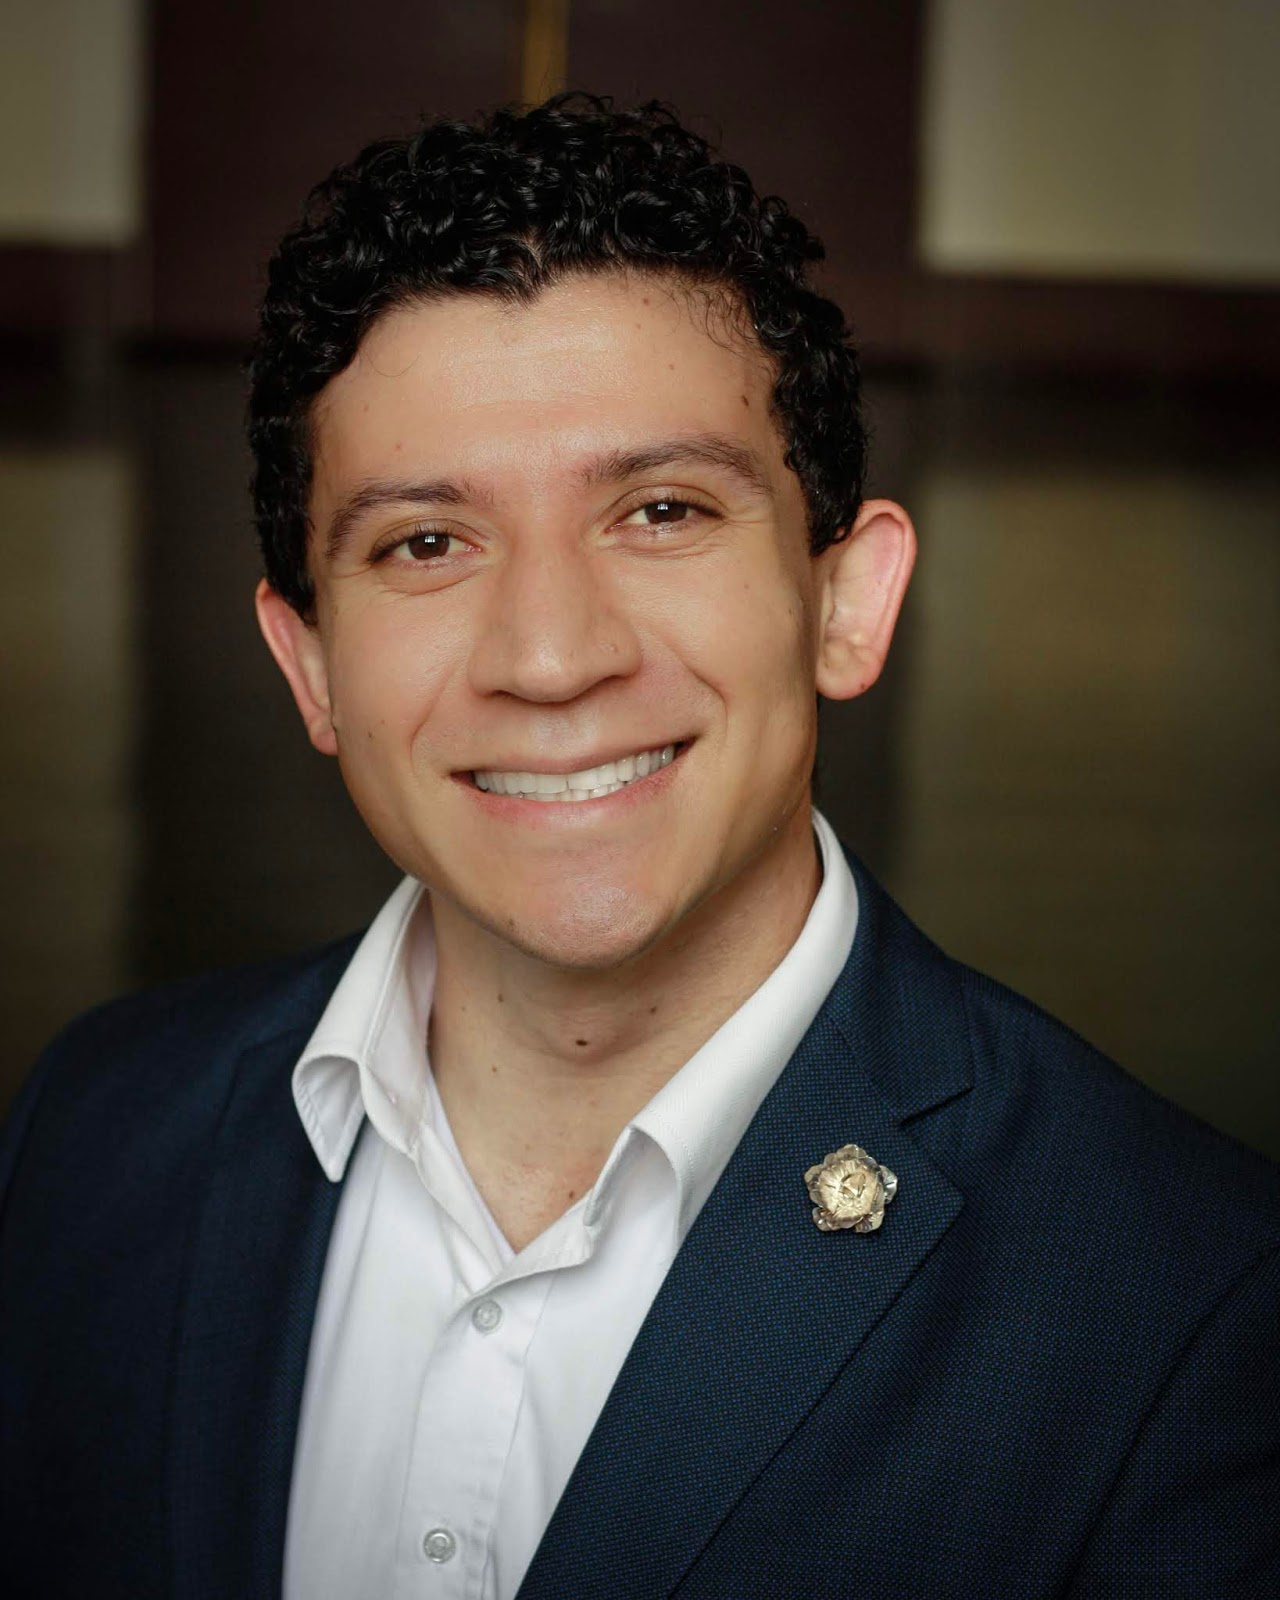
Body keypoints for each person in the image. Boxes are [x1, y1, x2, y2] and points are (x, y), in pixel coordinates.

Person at [1, 95, 1277, 1600]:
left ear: (847, 602)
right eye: (426, 542)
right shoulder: (91, 1136)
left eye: (661, 511)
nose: (550, 658)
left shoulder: (1186, 1306)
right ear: (310, 668)